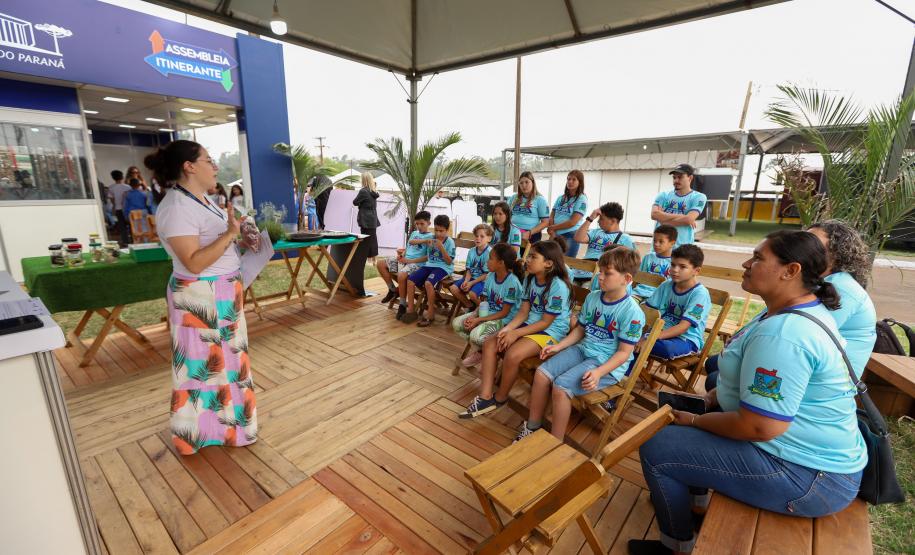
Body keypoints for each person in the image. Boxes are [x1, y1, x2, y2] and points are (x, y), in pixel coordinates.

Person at [630, 231, 866, 555]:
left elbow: (759, 427)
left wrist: (696, 423)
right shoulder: (791, 311)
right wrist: (714, 400)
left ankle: (675, 546)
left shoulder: (785, 334)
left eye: (757, 258)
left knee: (657, 449)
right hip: (804, 457)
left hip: (808, 476)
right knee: (688, 425)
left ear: (791, 271)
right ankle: (695, 506)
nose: (746, 263)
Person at [144, 139, 258, 455]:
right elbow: (193, 262)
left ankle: (229, 429)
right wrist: (230, 234)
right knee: (201, 368)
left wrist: (241, 238)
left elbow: (216, 245)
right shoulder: (176, 207)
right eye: (208, 160)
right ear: (189, 167)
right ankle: (199, 434)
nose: (215, 166)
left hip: (220, 293)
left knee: (229, 364)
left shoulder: (201, 199)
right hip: (199, 296)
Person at [518, 247, 645, 442]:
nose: (600, 277)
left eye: (607, 273)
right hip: (583, 349)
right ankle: (533, 426)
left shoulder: (632, 312)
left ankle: (554, 442)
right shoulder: (594, 297)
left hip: (606, 364)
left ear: (626, 279)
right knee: (542, 374)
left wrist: (599, 372)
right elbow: (580, 329)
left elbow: (623, 353)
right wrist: (558, 347)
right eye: (600, 271)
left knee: (561, 387)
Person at [460, 240, 572, 419]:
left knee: (512, 354)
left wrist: (516, 333)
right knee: (490, 343)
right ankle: (485, 397)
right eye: (528, 256)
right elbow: (523, 312)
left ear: (549, 263)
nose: (527, 259)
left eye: (533, 256)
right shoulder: (530, 279)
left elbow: (545, 322)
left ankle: (501, 397)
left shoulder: (557, 285)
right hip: (530, 324)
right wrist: (508, 329)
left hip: (552, 331)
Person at [808, 220, 877, 376]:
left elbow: (803, 336)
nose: (804, 248)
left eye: (815, 245)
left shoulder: (842, 289)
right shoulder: (819, 282)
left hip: (828, 387)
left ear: (837, 255)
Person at [634, 244, 711, 366]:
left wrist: (649, 338)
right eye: (673, 264)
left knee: (661, 348)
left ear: (696, 271)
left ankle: (626, 377)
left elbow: (683, 327)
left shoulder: (700, 294)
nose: (675, 270)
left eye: (682, 267)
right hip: (659, 333)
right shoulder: (666, 285)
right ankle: (625, 378)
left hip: (685, 339)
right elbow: (648, 309)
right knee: (629, 337)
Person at [453, 242, 525, 367]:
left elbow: (504, 313)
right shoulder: (491, 276)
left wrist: (479, 320)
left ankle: (485, 352)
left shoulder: (512, 283)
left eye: (491, 258)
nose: (487, 260)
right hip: (489, 315)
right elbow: (485, 302)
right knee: (457, 324)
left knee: (476, 335)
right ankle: (482, 350)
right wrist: (474, 315)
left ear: (501, 263)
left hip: (505, 320)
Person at [376, 211, 433, 316]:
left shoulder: (431, 237)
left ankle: (402, 304)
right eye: (417, 224)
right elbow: (408, 247)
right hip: (405, 261)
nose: (419, 226)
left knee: (402, 275)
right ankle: (392, 290)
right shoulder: (414, 233)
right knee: (380, 264)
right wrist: (402, 255)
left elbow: (428, 257)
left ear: (429, 223)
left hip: (416, 264)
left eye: (422, 224)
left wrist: (409, 261)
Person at [403, 214, 456, 327]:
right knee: (410, 280)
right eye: (436, 230)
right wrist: (426, 241)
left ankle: (430, 313)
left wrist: (441, 247)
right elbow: (412, 242)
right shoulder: (431, 238)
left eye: (441, 231)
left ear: (447, 230)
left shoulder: (450, 242)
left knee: (428, 283)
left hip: (443, 267)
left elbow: (448, 262)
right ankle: (411, 311)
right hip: (429, 265)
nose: (438, 233)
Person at [650, 163, 707, 247]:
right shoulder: (663, 195)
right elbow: (654, 215)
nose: (676, 180)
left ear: (690, 178)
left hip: (681, 249)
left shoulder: (699, 197)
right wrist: (682, 217)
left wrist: (662, 219)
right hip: (659, 248)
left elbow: (688, 219)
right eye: (674, 177)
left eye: (680, 177)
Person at [449, 224, 494, 309]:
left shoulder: (490, 253)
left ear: (489, 238)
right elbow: (469, 270)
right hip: (471, 278)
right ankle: (470, 306)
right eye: (476, 236)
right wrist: (466, 281)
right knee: (453, 288)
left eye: (482, 236)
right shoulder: (472, 251)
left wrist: (471, 283)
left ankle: (484, 309)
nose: (478, 238)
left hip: (484, 281)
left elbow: (486, 275)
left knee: (472, 294)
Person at [547, 170, 589, 256]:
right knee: (551, 260)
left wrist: (553, 227)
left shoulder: (582, 199)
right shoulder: (561, 198)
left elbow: (572, 222)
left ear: (580, 182)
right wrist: (552, 232)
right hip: (555, 233)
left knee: (566, 263)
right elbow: (552, 215)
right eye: (568, 179)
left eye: (574, 179)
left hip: (570, 234)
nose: (570, 182)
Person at [632, 225, 677, 299]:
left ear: (672, 243)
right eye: (654, 240)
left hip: (660, 297)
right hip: (638, 293)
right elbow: (638, 278)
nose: (656, 244)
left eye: (661, 241)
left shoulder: (675, 262)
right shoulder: (648, 257)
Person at [507, 171, 550, 243]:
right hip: (513, 232)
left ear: (533, 183)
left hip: (531, 235)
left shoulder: (540, 200)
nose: (524, 185)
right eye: (521, 183)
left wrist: (529, 233)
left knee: (527, 254)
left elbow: (545, 222)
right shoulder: (513, 198)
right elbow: (506, 214)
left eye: (527, 182)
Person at [353, 172, 381, 260]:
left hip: (365, 218)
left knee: (365, 238)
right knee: (373, 238)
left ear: (363, 180)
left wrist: (361, 204)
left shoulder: (363, 191)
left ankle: (368, 259)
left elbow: (355, 202)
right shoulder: (374, 191)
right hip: (373, 218)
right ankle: (374, 259)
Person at [108, 170, 132, 247]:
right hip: (128, 209)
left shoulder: (111, 187)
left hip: (118, 209)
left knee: (122, 226)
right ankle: (133, 240)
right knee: (131, 225)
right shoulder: (128, 187)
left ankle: (125, 242)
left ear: (113, 178)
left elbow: (112, 199)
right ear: (122, 176)